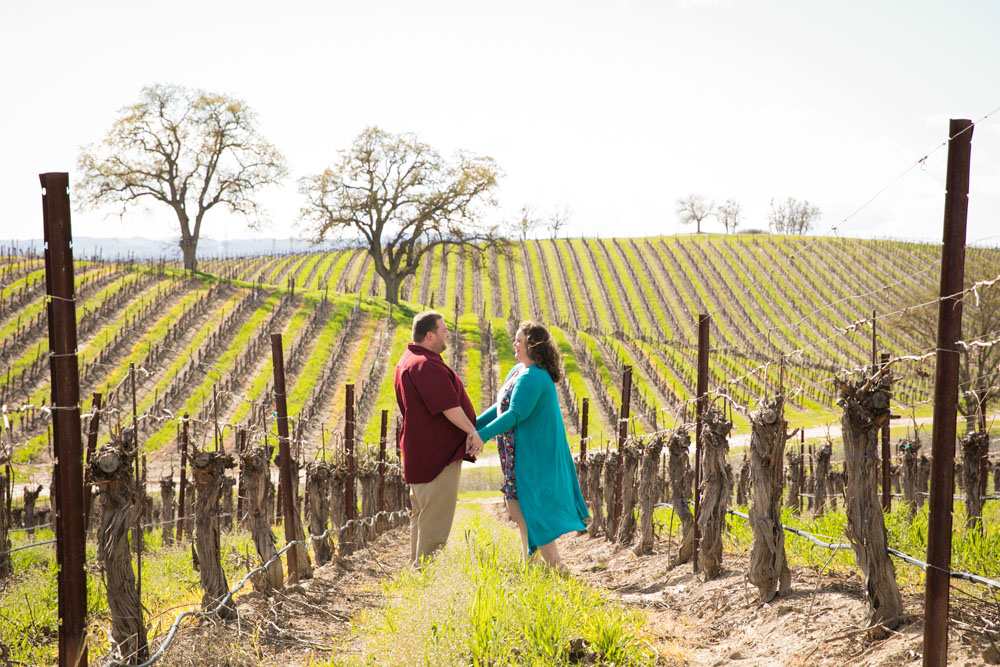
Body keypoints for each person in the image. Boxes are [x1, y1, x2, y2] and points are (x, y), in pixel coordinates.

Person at [473, 321, 588, 571]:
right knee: (517, 508)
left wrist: (481, 435)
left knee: (529, 510)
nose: (514, 344)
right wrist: (474, 425)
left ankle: (555, 567)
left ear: (533, 346)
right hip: (519, 456)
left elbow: (515, 414)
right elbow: (501, 406)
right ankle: (533, 564)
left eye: (519, 341)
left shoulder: (534, 376)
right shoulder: (518, 371)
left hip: (534, 456)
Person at [395, 310, 484, 566]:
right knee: (435, 521)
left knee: (421, 515)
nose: (448, 335)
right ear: (430, 335)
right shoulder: (425, 364)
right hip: (437, 456)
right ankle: (425, 572)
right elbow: (448, 406)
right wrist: (471, 431)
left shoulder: (409, 360)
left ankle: (416, 569)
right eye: (444, 330)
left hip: (421, 452)